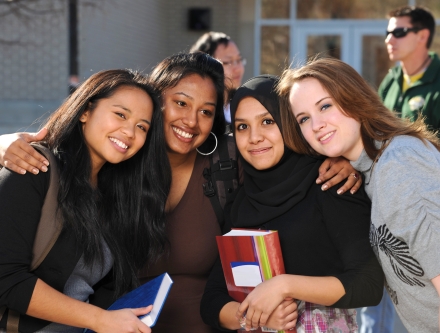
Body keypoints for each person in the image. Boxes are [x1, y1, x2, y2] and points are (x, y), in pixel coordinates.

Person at [0, 53, 363, 333]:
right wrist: (5, 144)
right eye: (180, 103)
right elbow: (58, 147)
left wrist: (343, 162)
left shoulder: (227, 161)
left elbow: (281, 152)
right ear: (155, 101)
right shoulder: (117, 164)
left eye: (206, 111)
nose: (191, 121)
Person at [201, 75, 384, 333]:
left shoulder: (330, 183)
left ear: (289, 124)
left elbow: (368, 285)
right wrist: (254, 317)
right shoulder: (241, 204)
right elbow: (212, 300)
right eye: (242, 127)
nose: (254, 137)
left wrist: (283, 286)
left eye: (267, 121)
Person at [0, 69, 171, 332]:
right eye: (121, 114)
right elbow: (6, 278)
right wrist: (100, 320)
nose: (129, 132)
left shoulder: (116, 196)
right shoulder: (34, 168)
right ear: (85, 111)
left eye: (141, 127)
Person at [278, 56, 440, 333]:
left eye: (325, 106)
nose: (316, 125)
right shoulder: (372, 168)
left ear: (354, 98)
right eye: (304, 118)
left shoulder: (399, 163)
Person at [379, 5, 440, 133]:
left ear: (422, 36)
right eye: (388, 33)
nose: (388, 40)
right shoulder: (390, 80)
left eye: (399, 32)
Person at [190, 31, 246, 124]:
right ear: (207, 65)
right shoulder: (198, 114)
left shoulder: (242, 105)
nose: (238, 69)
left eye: (239, 60)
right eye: (228, 62)